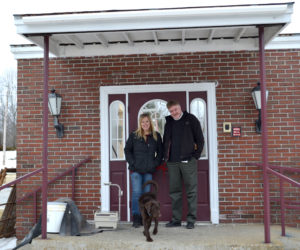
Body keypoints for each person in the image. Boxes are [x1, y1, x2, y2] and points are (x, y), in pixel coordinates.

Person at [163, 100, 204, 229]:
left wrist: (195, 156)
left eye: (175, 109)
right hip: (172, 162)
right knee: (175, 191)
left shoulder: (191, 119)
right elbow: (166, 140)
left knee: (191, 190)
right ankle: (176, 219)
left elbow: (200, 139)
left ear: (180, 107)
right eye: (171, 111)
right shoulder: (168, 122)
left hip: (188, 161)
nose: (173, 113)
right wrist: (165, 156)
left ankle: (191, 220)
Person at [124, 113, 163, 228]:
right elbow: (127, 150)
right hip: (136, 170)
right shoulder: (134, 136)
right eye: (142, 122)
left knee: (146, 195)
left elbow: (160, 153)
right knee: (137, 194)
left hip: (148, 171)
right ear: (140, 124)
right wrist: (132, 163)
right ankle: (136, 217)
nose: (145, 124)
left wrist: (154, 164)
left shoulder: (156, 136)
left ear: (150, 122)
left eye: (147, 121)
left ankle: (144, 217)